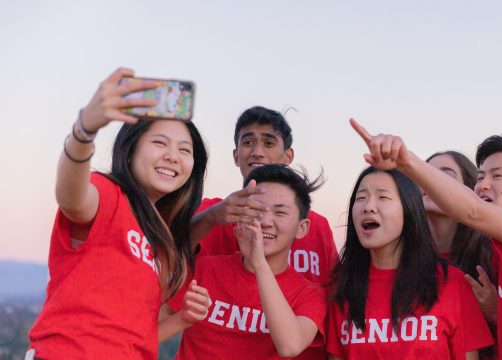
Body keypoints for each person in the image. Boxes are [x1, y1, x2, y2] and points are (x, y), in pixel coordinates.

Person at [350, 119, 502, 359]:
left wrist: (406, 161)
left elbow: (472, 211)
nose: (483, 185)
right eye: (480, 177)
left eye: (497, 176)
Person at [26, 68, 208, 359]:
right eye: (160, 143)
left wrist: (181, 319)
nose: (173, 156)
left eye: (185, 150)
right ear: (131, 148)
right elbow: (71, 198)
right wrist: (84, 130)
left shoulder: (158, 239)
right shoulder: (108, 194)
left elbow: (132, 337)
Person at [162, 164, 327, 359]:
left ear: (302, 228)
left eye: (280, 212)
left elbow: (290, 346)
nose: (265, 221)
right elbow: (146, 331)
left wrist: (258, 263)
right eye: (256, 209)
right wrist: (181, 320)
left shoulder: (309, 294)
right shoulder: (205, 269)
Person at [326, 166, 493, 359]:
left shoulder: (451, 283)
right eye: (361, 197)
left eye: (383, 197)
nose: (368, 206)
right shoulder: (343, 287)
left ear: (409, 209)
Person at [190, 106, 338, 287]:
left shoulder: (317, 227)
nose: (257, 152)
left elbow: (334, 290)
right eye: (248, 142)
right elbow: (169, 256)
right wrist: (211, 218)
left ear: (287, 156)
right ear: (236, 156)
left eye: (269, 143)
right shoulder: (210, 212)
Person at [425, 151, 499, 359]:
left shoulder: (491, 256)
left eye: (445, 176)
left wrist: (496, 313)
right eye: (426, 174)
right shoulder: (400, 259)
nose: (432, 182)